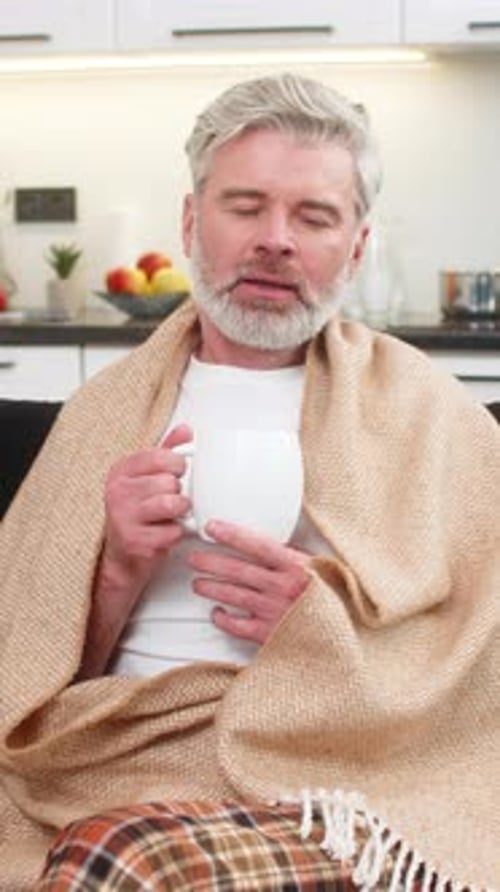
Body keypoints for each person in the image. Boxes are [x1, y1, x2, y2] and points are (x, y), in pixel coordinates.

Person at [0, 73, 498, 892]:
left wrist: (323, 630)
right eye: (246, 206)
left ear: (358, 247)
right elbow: (28, 680)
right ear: (193, 221)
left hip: (322, 780)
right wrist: (116, 567)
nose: (276, 239)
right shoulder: (102, 413)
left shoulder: (432, 419)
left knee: (122, 861)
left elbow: (483, 671)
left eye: (314, 216)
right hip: (108, 759)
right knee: (111, 845)